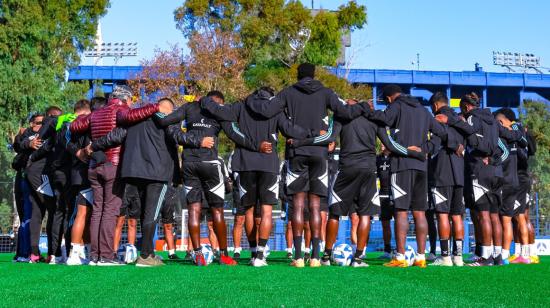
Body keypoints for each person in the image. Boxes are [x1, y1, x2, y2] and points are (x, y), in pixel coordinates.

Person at [244, 63, 371, 267]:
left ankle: (297, 256)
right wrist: (363, 106)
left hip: (297, 152)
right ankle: (315, 256)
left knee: (298, 203)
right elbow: (345, 112)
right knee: (315, 206)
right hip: (320, 153)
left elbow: (267, 110)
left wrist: (250, 100)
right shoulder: (326, 92)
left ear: (298, 75)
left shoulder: (288, 93)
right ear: (313, 75)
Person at [290, 98, 425, 267]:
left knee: (335, 213)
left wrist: (300, 142)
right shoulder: (375, 118)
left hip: (347, 169)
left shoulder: (341, 116)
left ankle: (326, 256)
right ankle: (359, 258)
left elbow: (328, 138)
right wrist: (414, 154)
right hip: (368, 170)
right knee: (365, 214)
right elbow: (390, 144)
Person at [200, 86, 314, 266]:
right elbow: (289, 129)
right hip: (269, 165)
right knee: (267, 210)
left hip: (245, 164)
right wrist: (312, 133)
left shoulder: (241, 106)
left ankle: (253, 252)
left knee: (249, 211)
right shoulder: (275, 109)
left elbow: (220, 111)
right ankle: (260, 255)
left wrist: (204, 100)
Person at [154, 92, 260, 266]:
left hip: (188, 164)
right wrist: (256, 146)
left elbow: (165, 121)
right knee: (217, 210)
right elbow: (235, 134)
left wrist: (151, 110)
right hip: (210, 164)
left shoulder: (188, 107)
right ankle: (224, 255)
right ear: (218, 102)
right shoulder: (220, 112)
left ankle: (197, 255)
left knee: (194, 210)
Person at [70, 85, 168, 266]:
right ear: (125, 99)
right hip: (112, 165)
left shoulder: (96, 113)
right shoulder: (120, 109)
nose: (131, 105)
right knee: (110, 211)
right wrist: (156, 107)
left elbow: (75, 126)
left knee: (97, 210)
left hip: (93, 166)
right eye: (130, 101)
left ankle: (95, 256)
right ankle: (106, 256)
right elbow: (130, 116)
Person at [368, 85, 448, 268]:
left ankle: (400, 257)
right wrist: (426, 149)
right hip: (422, 167)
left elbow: (384, 118)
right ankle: (420, 257)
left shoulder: (396, 106)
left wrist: (369, 110)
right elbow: (442, 133)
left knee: (401, 211)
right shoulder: (424, 110)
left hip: (401, 165)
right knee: (420, 212)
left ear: (389, 98)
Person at [436, 93, 503, 267]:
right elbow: (500, 147)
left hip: (480, 170)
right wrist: (492, 158)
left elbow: (472, 135)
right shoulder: (493, 120)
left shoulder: (472, 118)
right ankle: (497, 256)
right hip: (495, 171)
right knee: (494, 215)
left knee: (483, 214)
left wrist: (452, 122)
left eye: (461, 108)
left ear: (466, 106)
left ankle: (485, 257)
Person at [427, 92, 466, 267]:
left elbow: (433, 145)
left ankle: (445, 257)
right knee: (457, 216)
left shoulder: (438, 118)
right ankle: (458, 256)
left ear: (435, 105)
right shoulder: (459, 120)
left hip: (442, 172)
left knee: (442, 214)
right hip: (460, 172)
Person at [66, 97, 106, 265]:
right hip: (84, 175)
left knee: (87, 215)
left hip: (81, 173)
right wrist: (79, 153)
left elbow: (69, 142)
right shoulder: (84, 126)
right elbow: (68, 142)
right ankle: (73, 253)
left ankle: (86, 251)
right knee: (82, 213)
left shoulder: (77, 128)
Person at [24, 106, 63, 263]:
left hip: (35, 174)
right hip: (40, 175)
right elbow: (44, 146)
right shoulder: (49, 130)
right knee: (54, 209)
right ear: (51, 117)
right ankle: (53, 253)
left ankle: (34, 253)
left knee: (37, 211)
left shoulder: (38, 133)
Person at [493, 108, 528, 264]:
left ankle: (502, 254)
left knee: (502, 219)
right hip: (515, 182)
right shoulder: (516, 137)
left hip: (505, 182)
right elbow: (524, 143)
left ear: (500, 122)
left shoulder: (502, 138)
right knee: (508, 220)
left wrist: (492, 162)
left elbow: (504, 154)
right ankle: (506, 256)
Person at [12, 113, 44, 262]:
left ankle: (24, 253)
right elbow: (18, 145)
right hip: (27, 180)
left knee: (29, 216)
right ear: (32, 124)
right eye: (39, 123)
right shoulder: (28, 135)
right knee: (28, 216)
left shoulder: (42, 134)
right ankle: (26, 253)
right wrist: (24, 139)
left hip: (30, 180)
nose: (42, 126)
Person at [377, 145, 394, 260]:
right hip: (383, 195)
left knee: (400, 222)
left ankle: (401, 250)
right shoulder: (377, 158)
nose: (382, 145)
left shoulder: (396, 157)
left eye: (384, 143)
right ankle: (387, 250)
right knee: (385, 225)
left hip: (395, 194)